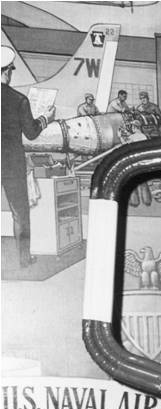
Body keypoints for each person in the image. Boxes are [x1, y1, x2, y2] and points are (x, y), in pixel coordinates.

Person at [1, 45, 56, 267]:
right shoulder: (19, 100)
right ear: (8, 71)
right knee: (20, 214)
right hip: (11, 164)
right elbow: (32, 133)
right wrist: (46, 119)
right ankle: (24, 259)